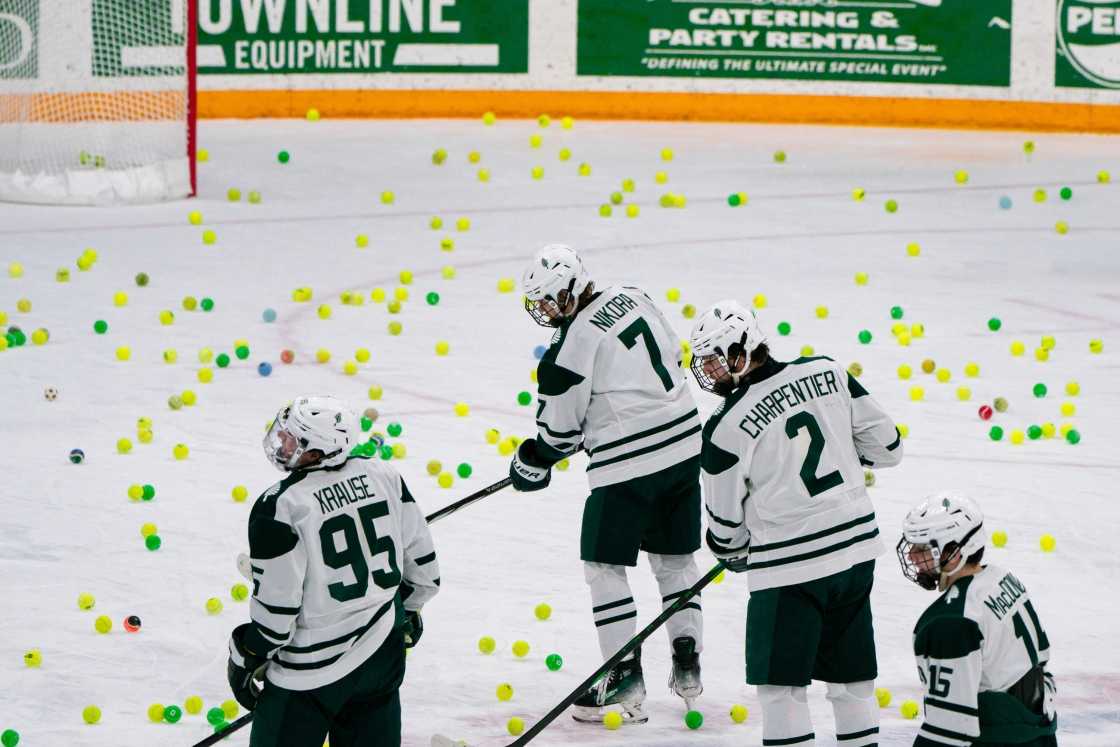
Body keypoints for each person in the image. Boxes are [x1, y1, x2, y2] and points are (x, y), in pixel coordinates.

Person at [691, 300, 903, 747]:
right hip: (856, 553)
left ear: (740, 352)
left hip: (790, 570)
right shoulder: (827, 371)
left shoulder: (724, 429)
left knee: (782, 692)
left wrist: (732, 550)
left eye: (713, 359)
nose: (708, 371)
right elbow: (889, 447)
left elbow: (726, 532)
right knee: (852, 681)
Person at [510, 244, 705, 724]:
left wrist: (531, 460)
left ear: (576, 286)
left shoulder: (567, 347)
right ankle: (688, 663)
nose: (549, 311)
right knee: (676, 560)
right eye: (542, 303)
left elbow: (557, 435)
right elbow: (672, 357)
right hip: (684, 444)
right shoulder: (635, 294)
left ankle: (621, 676)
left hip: (628, 465)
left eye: (555, 298)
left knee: (603, 564)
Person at [226, 396, 439, 747]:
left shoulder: (279, 504)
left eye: (293, 440)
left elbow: (277, 614)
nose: (281, 443)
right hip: (382, 656)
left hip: (309, 675)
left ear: (318, 452)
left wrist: (248, 654)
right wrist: (408, 612)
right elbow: (424, 568)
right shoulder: (383, 473)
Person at [899, 493, 1057, 747]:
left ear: (954, 551)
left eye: (923, 550)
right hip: (1040, 731)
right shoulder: (1004, 578)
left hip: (1002, 740)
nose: (911, 557)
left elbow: (949, 728)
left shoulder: (950, 620)